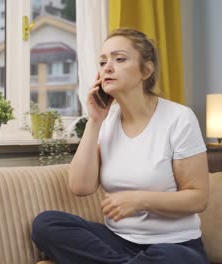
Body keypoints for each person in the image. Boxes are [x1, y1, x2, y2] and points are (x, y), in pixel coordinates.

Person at [32, 28, 210, 264]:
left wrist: (139, 200)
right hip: (116, 242)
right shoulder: (105, 121)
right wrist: (95, 121)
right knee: (46, 224)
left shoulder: (179, 118)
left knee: (173, 258)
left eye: (120, 59)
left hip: (174, 246)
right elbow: (80, 186)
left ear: (146, 70)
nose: (107, 67)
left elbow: (198, 199)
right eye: (103, 61)